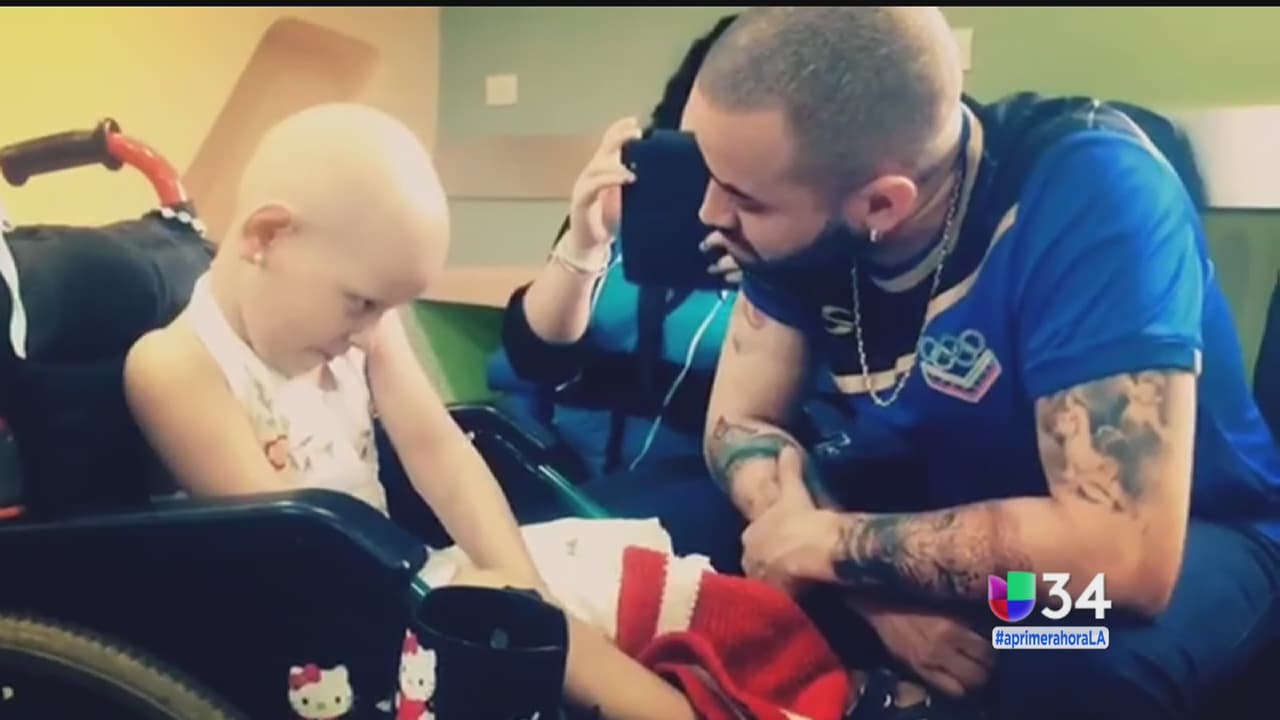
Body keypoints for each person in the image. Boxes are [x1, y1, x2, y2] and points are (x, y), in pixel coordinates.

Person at [673, 6, 1280, 719]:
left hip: (1168, 547)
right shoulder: (798, 215)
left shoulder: (1097, 192)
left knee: (1063, 654)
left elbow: (1122, 555)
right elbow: (739, 422)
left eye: (744, 198)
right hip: (932, 517)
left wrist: (832, 546)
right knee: (675, 545)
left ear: (882, 203)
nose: (711, 214)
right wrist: (869, 593)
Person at [119, 102, 722, 720]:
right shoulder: (177, 366)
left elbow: (441, 451)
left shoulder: (361, 330)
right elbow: (290, 545)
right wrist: (504, 601)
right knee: (515, 614)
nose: (370, 332)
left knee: (578, 571)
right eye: (361, 303)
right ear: (268, 237)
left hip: (387, 575)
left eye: (388, 309)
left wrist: (526, 585)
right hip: (307, 622)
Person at [492, 14, 743, 482]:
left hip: (699, 486)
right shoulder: (621, 209)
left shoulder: (797, 245)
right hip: (562, 467)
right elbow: (533, 358)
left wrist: (773, 288)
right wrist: (585, 243)